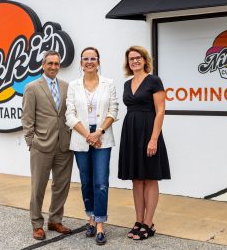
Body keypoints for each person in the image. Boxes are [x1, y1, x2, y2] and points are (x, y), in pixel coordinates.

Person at [65, 47, 118, 245]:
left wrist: (99, 132)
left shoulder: (109, 83)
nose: (89, 62)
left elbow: (114, 110)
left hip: (102, 137)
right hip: (81, 137)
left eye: (93, 58)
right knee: (87, 181)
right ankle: (91, 218)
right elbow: (69, 114)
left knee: (101, 182)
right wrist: (88, 134)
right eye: (85, 59)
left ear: (98, 61)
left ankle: (100, 225)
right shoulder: (73, 86)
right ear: (81, 63)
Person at [118, 46, 171, 240]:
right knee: (136, 178)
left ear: (145, 59)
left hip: (149, 132)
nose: (135, 61)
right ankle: (138, 221)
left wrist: (154, 139)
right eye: (131, 59)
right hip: (131, 133)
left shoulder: (154, 80)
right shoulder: (127, 84)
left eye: (138, 58)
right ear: (128, 62)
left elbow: (161, 110)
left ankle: (149, 223)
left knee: (150, 177)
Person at [21, 50, 73, 240]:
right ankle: (37, 224)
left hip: (64, 145)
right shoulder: (32, 87)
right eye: (50, 63)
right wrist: (31, 142)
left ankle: (55, 220)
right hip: (41, 145)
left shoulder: (67, 87)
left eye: (56, 64)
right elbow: (27, 119)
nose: (53, 67)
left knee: (61, 185)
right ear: (43, 65)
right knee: (38, 187)